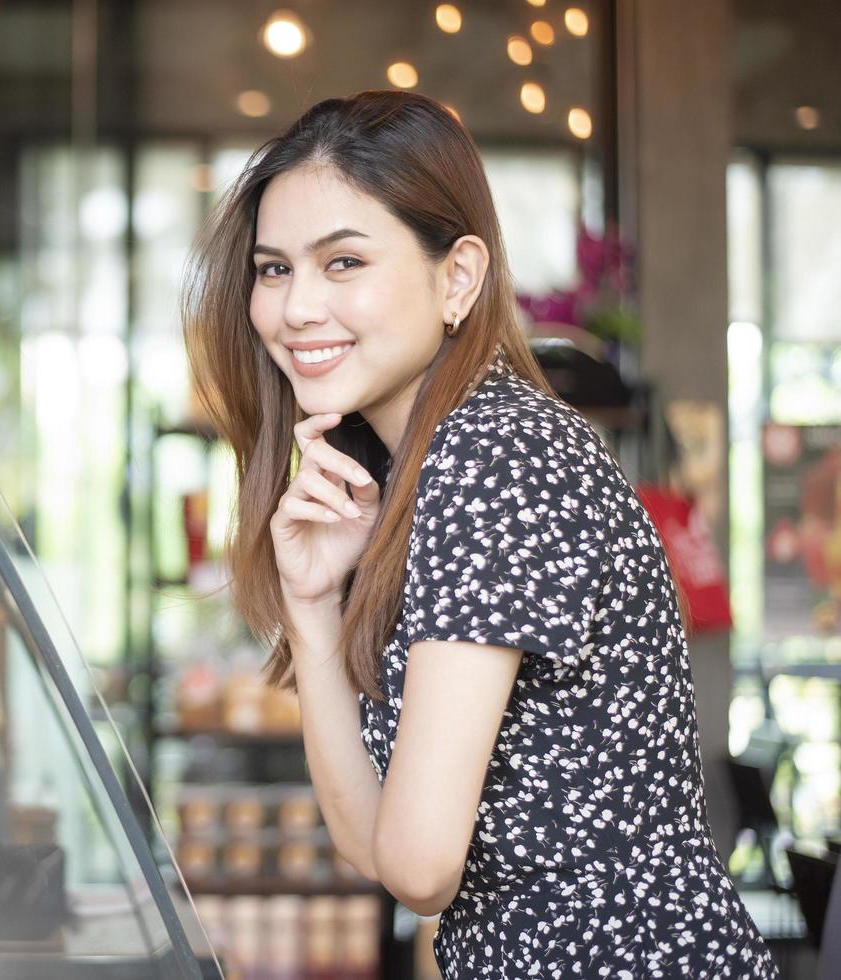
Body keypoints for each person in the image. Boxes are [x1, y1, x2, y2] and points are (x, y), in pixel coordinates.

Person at [182, 90, 777, 976]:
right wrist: (310, 606)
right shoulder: (439, 460)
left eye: (343, 262)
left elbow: (419, 867)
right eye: (275, 269)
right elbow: (373, 844)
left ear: (457, 277)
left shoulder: (491, 456)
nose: (296, 307)